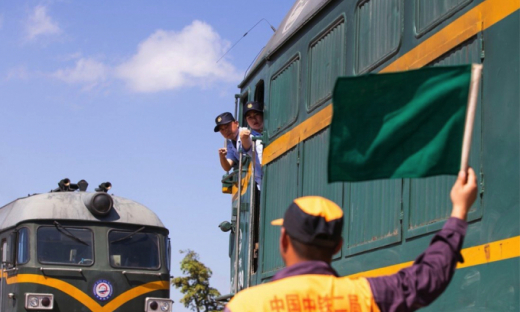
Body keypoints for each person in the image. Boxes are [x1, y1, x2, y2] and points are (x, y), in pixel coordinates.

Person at [225, 168, 478, 312]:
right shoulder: (366, 296)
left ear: (284, 241)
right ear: (338, 246)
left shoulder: (245, 305)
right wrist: (458, 212)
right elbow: (428, 278)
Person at [243, 101, 264, 190]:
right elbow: (246, 145)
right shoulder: (249, 137)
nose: (254, 119)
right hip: (264, 182)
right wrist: (244, 137)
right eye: (249, 117)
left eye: (256, 115)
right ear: (246, 121)